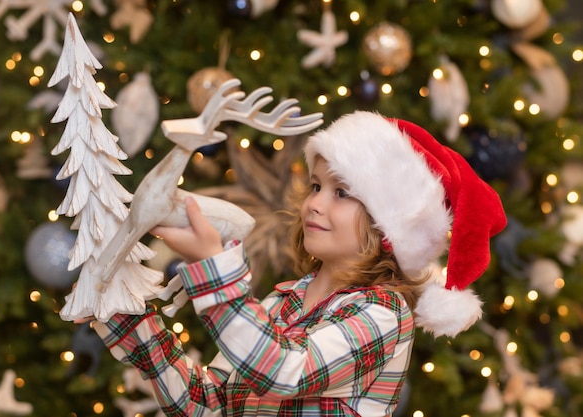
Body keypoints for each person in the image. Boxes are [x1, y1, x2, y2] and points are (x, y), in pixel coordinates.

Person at [92, 111, 507, 416]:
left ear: (388, 228)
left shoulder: (383, 313)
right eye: (315, 186)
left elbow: (284, 372)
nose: (314, 203)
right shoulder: (281, 302)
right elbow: (209, 404)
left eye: (341, 192)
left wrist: (213, 268)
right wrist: (129, 319)